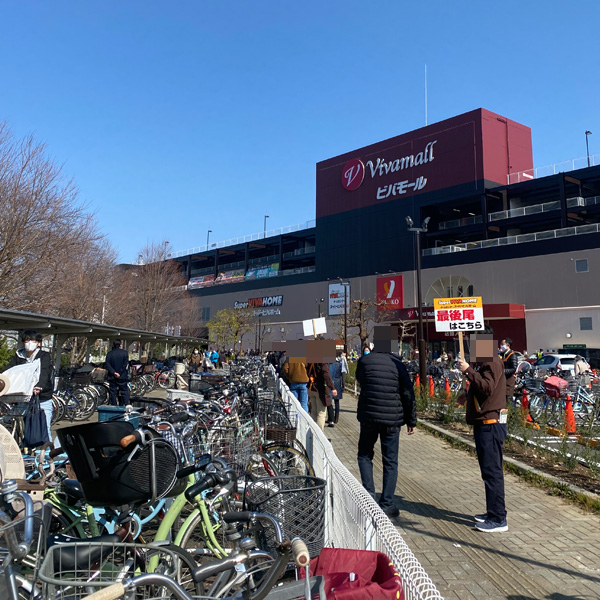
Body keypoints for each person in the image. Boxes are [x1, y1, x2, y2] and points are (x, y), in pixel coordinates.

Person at [355, 326, 416, 518]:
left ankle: (369, 497)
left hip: (369, 417)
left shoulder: (364, 361)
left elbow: (361, 381)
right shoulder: (398, 364)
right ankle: (387, 503)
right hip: (392, 420)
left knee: (365, 455)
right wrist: (411, 420)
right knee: (390, 461)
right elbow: (408, 393)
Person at [457, 332, 508, 533]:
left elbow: (487, 387)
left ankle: (498, 518)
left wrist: (468, 370)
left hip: (491, 424)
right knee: (488, 471)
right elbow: (484, 390)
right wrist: (467, 394)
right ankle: (493, 511)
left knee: (492, 472)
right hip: (485, 424)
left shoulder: (492, 362)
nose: (472, 349)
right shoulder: (487, 363)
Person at [4, 330, 54, 443]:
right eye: (27, 340)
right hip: (23, 397)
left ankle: (47, 453)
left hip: (42, 398)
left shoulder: (44, 356)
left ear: (38, 343)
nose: (29, 342)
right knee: (21, 426)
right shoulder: (18, 356)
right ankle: (25, 448)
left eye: (33, 340)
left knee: (43, 426)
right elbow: (9, 371)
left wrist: (39, 386)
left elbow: (44, 372)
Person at [306, 360, 337, 431]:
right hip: (320, 389)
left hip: (311, 387)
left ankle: (311, 433)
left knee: (313, 412)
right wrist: (332, 387)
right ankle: (319, 437)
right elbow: (326, 373)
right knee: (321, 414)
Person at [105, 340, 130, 406]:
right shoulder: (125, 353)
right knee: (124, 391)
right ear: (120, 345)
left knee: (113, 392)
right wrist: (119, 372)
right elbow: (125, 364)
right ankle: (126, 404)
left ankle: (114, 405)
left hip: (112, 376)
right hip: (122, 375)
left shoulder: (109, 354)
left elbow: (107, 364)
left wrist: (114, 372)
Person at [500, 337, 518, 406]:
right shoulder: (503, 354)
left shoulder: (512, 355)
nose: (501, 346)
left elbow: (514, 368)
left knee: (509, 399)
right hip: (503, 379)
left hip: (509, 380)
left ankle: (513, 415)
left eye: (502, 344)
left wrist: (503, 371)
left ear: (508, 345)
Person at [327, 353, 344, 426]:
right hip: (338, 382)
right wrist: (343, 385)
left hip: (331, 382)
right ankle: (336, 417)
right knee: (337, 401)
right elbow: (343, 374)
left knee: (329, 401)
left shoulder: (329, 363)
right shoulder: (340, 363)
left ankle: (330, 418)